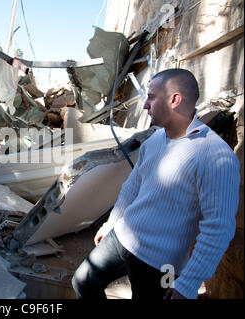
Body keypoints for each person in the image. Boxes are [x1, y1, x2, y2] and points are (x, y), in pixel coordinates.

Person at [71, 68, 240, 300]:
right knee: (83, 282)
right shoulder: (154, 140)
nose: (145, 105)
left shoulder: (215, 155)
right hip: (122, 238)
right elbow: (132, 187)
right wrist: (110, 224)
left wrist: (188, 284)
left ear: (174, 99)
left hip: (164, 265)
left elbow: (219, 228)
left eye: (151, 96)